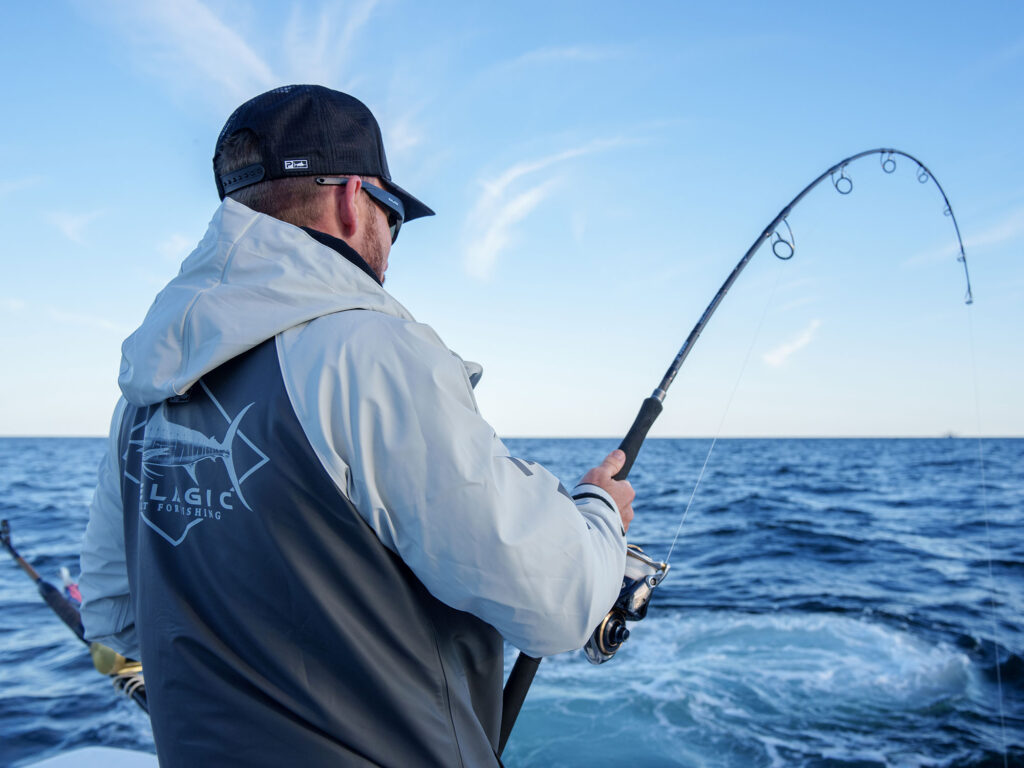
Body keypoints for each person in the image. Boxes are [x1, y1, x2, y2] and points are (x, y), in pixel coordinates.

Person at [79, 85, 634, 767]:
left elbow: (113, 618)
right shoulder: (368, 352)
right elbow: (560, 600)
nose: (391, 247)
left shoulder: (142, 393)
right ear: (353, 197)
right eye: (392, 218)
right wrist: (599, 510)